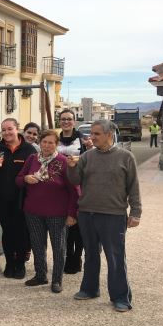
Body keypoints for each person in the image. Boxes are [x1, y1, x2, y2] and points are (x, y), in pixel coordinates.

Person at [66, 119, 141, 312]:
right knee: (90, 254)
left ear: (109, 134)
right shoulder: (87, 156)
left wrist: (136, 212)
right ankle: (90, 289)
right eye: (91, 133)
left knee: (115, 257)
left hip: (113, 215)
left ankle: (120, 297)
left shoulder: (126, 157)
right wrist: (72, 166)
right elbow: (74, 180)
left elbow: (133, 187)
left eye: (96, 134)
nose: (92, 137)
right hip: (87, 213)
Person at [16, 130, 79, 293]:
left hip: (57, 213)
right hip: (33, 211)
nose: (47, 145)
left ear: (56, 144)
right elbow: (18, 179)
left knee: (59, 248)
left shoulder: (63, 162)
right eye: (44, 141)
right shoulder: (32, 159)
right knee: (37, 245)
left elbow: (74, 189)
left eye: (51, 142)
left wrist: (72, 213)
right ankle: (40, 275)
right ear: (40, 142)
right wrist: (25, 179)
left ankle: (57, 280)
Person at [0, 118, 37, 279]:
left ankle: (20, 264)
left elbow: (34, 174)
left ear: (17, 129)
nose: (7, 133)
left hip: (22, 198)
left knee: (21, 232)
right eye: (3, 130)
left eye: (10, 129)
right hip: (2, 198)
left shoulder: (28, 149)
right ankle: (10, 262)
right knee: (7, 231)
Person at [57, 109, 91, 274]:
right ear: (59, 121)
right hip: (61, 188)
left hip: (79, 186)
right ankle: (68, 256)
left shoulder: (84, 141)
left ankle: (77, 257)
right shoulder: (55, 139)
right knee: (66, 225)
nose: (66, 122)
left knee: (79, 225)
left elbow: (91, 160)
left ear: (74, 121)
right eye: (63, 119)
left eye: (69, 119)